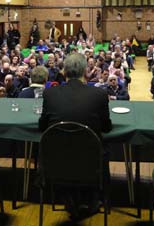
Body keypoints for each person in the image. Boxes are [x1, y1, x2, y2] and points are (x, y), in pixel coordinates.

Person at [39, 53, 112, 219]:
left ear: (64, 71)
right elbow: (106, 127)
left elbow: (42, 126)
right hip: (90, 160)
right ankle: (94, 196)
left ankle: (68, 194)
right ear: (85, 71)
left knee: (67, 151)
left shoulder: (50, 94)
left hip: (56, 160)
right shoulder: (99, 95)